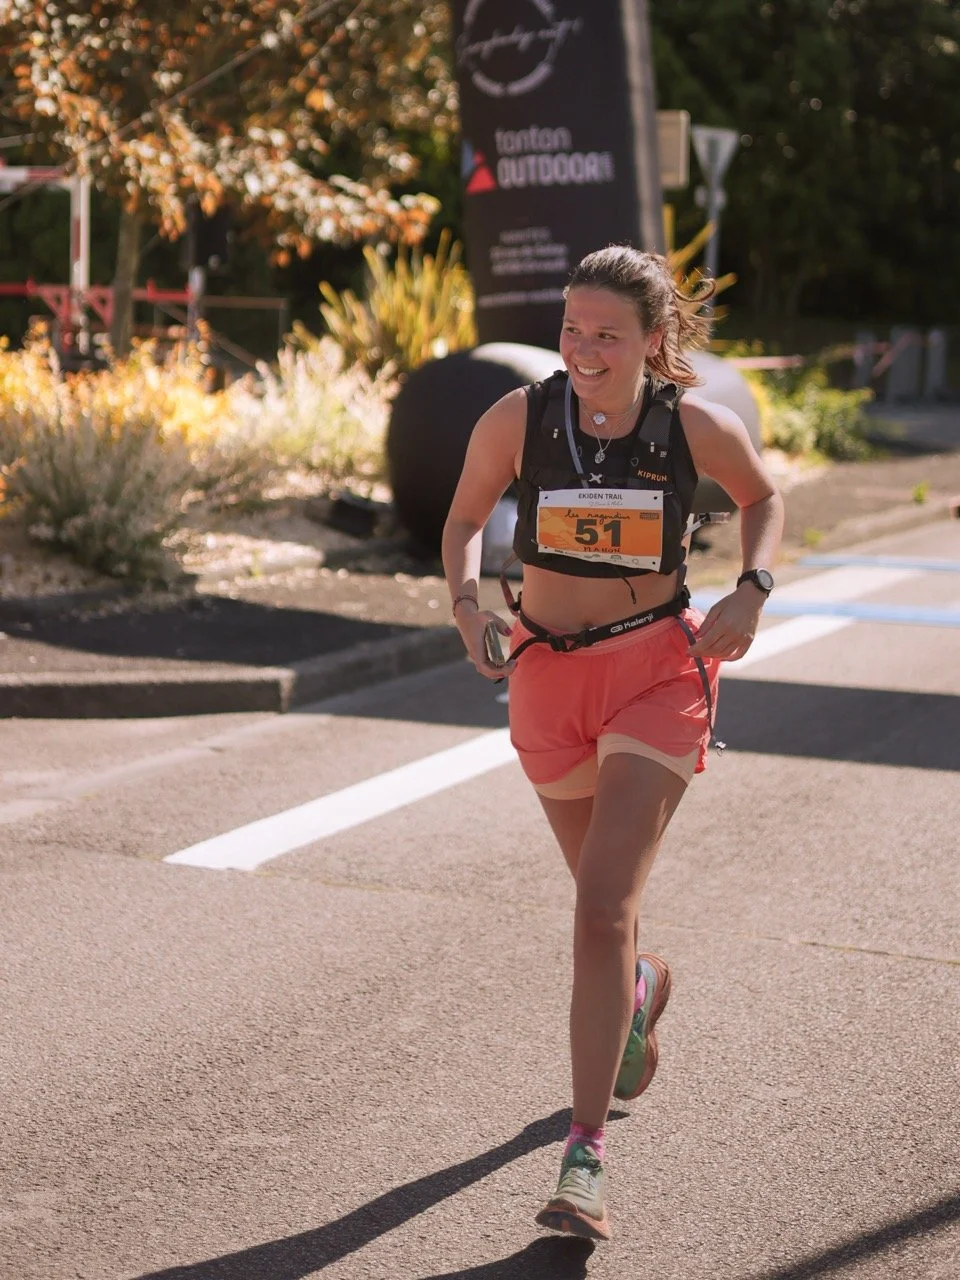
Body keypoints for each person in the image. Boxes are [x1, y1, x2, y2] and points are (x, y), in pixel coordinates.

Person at [441, 245, 784, 1242]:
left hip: (656, 672)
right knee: (601, 911)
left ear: (653, 341)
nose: (584, 350)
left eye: (607, 334)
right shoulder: (521, 416)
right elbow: (464, 514)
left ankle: (584, 1153)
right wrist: (467, 607)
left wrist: (752, 591)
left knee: (600, 906)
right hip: (546, 675)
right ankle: (636, 989)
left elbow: (763, 497)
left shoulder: (690, 427)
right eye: (572, 328)